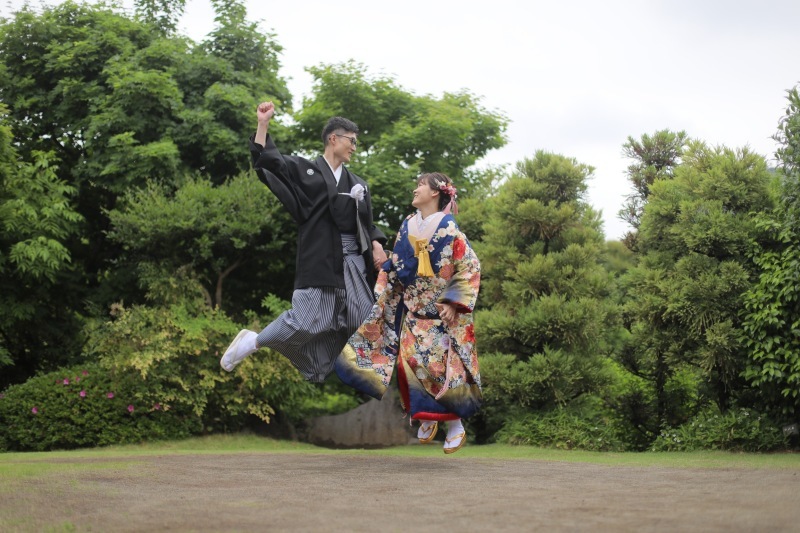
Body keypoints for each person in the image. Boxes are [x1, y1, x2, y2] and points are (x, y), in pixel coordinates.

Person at [220, 101, 387, 382]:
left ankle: (367, 377)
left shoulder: (358, 182)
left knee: (363, 321)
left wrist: (377, 243)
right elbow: (269, 162)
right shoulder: (305, 170)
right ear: (334, 138)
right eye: (352, 141)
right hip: (320, 256)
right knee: (308, 321)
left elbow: (368, 224)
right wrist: (263, 124)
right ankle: (254, 341)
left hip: (353, 262)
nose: (354, 147)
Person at [335, 172, 482, 454]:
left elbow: (471, 267)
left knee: (440, 369)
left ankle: (455, 425)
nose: (415, 190)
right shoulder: (408, 225)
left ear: (435, 193)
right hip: (414, 311)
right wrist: (388, 267)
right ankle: (425, 415)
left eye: (420, 186)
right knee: (409, 363)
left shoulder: (451, 231)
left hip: (441, 313)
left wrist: (454, 303)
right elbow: (402, 264)